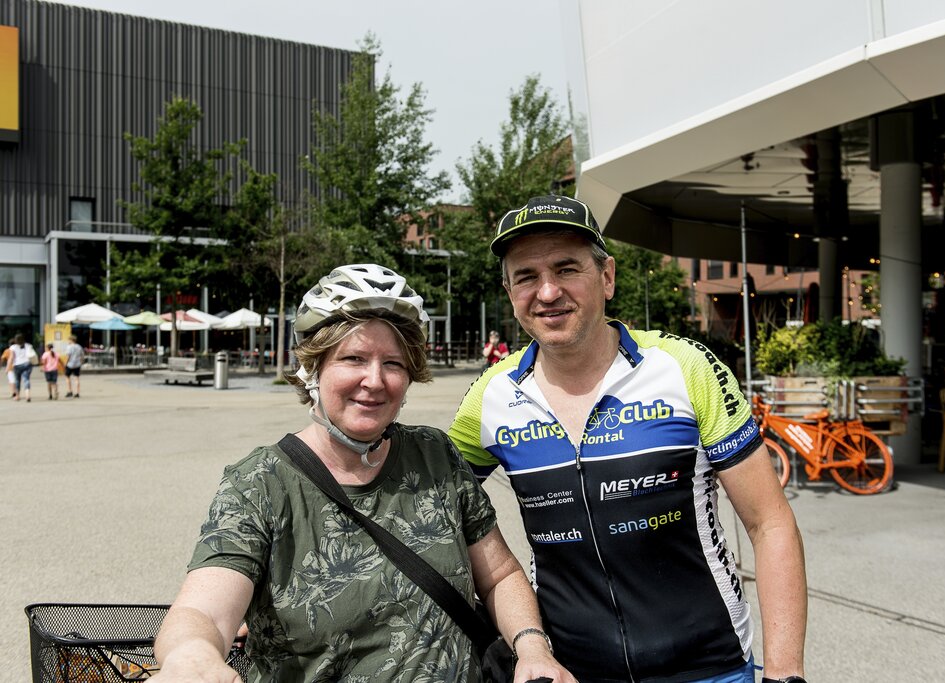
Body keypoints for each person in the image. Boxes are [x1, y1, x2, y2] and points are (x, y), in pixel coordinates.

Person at [152, 264, 574, 683]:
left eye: (393, 363)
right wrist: (191, 656)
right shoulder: (259, 483)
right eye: (353, 358)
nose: (374, 381)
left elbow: (499, 574)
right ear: (312, 369)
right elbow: (203, 609)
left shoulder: (434, 455)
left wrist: (532, 648)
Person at [448, 195, 808, 683]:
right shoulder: (490, 395)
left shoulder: (685, 368)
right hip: (570, 670)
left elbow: (770, 523)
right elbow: (439, 510)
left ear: (608, 277)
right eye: (526, 276)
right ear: (509, 291)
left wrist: (785, 674)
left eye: (566, 268)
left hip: (708, 667)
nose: (547, 291)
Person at [6, 333, 34, 402]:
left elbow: (11, 358)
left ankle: (17, 396)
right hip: (27, 364)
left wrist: (8, 367)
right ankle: (27, 395)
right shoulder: (28, 345)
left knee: (17, 380)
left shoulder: (13, 347)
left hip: (17, 365)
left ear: (15, 340)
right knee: (26, 379)